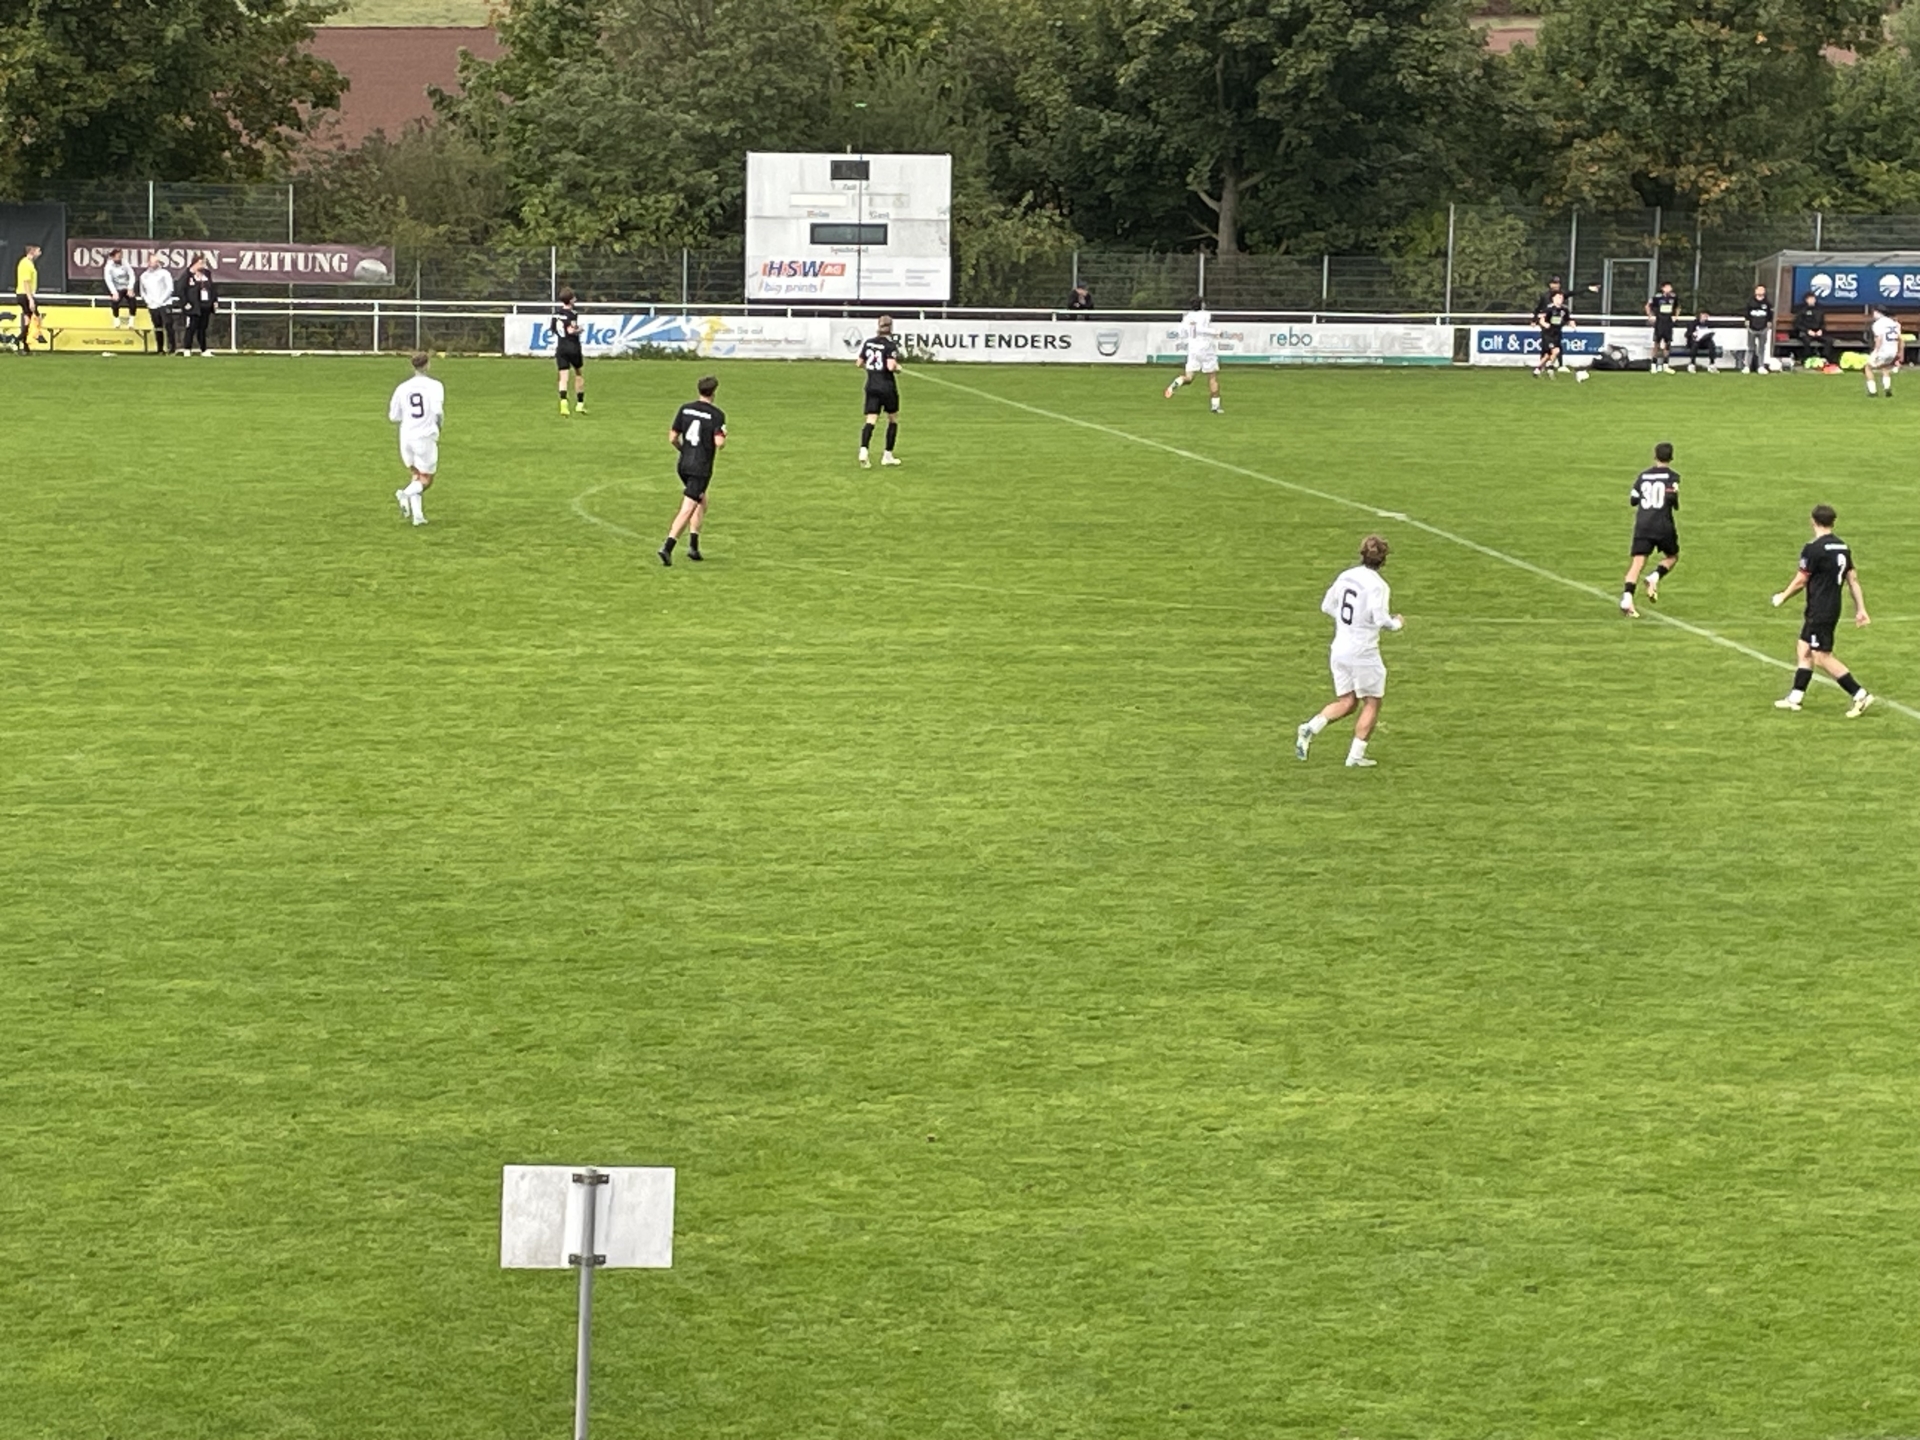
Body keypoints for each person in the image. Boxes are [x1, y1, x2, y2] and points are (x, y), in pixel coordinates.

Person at [1295, 534, 1406, 769]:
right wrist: (1397, 623)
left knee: (1347, 701)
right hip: (1363, 652)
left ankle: (1310, 727)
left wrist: (1348, 622)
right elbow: (1380, 619)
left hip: (1339, 649)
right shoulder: (1378, 586)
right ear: (1383, 559)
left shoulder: (1346, 576)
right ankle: (1355, 757)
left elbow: (1327, 606)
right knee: (1372, 702)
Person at [1770, 504, 1872, 717]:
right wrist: (1860, 608)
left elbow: (1801, 580)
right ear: (1833, 522)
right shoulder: (1843, 547)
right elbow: (1853, 580)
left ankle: (1859, 694)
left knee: (1821, 656)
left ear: (1813, 521)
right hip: (1830, 606)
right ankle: (1795, 697)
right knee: (1804, 647)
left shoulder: (1813, 549)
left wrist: (1782, 596)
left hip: (1820, 609)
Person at [658, 375, 726, 566]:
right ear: (714, 392)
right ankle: (667, 547)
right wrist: (724, 435)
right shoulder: (716, 415)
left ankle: (694, 547)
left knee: (701, 500)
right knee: (688, 507)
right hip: (700, 468)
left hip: (683, 464)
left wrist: (684, 450)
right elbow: (719, 443)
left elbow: (672, 437)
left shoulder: (685, 408)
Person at [1619, 442, 1680, 618]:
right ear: (1671, 457)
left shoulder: (1643, 476)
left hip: (1643, 524)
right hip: (1662, 524)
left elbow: (1633, 499)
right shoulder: (1673, 477)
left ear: (1655, 456)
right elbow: (1671, 499)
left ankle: (1627, 598)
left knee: (1637, 563)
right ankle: (1654, 577)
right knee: (1672, 556)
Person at [388, 351, 444, 527]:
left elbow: (393, 416)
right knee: (426, 479)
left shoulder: (402, 388)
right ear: (427, 365)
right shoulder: (435, 386)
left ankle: (418, 516)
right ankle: (405, 494)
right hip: (425, 436)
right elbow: (438, 412)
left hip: (406, 436)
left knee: (416, 474)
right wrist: (439, 427)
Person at [856, 316, 901, 467]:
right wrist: (898, 368)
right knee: (892, 419)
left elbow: (859, 363)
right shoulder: (890, 345)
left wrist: (871, 369)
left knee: (871, 419)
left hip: (871, 385)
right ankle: (887, 455)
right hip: (886, 386)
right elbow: (890, 366)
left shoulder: (868, 343)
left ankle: (863, 450)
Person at [1163, 297, 1222, 411]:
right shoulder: (1205, 315)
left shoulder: (1187, 317)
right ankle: (1215, 405)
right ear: (1201, 305)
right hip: (1206, 348)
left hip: (1193, 349)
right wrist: (1215, 332)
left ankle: (1177, 382)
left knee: (1189, 378)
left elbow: (1182, 332)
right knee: (1212, 377)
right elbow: (1201, 328)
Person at [554, 287, 586, 415]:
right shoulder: (572, 314)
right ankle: (580, 404)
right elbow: (571, 330)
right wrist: (579, 330)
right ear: (571, 300)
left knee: (563, 377)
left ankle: (563, 403)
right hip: (573, 347)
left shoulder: (556, 314)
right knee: (578, 373)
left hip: (561, 347)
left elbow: (554, 329)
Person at [1532, 276, 1571, 377]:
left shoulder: (1563, 309)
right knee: (1555, 351)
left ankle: (1538, 369)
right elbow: (1541, 316)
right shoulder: (1548, 308)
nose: (1560, 299)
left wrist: (1571, 323)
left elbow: (1567, 319)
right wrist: (1541, 322)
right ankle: (1550, 366)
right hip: (1548, 333)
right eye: (1558, 297)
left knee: (1548, 354)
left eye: (1561, 298)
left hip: (1556, 332)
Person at [180, 256, 218, 356]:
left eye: (204, 263)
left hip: (205, 305)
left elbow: (212, 288)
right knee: (191, 327)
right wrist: (185, 303)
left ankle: (203, 349)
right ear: (195, 263)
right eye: (201, 263)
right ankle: (187, 348)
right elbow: (181, 290)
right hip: (193, 307)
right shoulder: (187, 275)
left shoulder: (207, 274)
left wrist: (214, 301)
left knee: (202, 328)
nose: (203, 265)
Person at [138, 254, 176, 354]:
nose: (155, 263)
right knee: (157, 326)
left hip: (165, 303)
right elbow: (142, 292)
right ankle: (160, 349)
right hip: (152, 305)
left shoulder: (164, 273)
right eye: (153, 261)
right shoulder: (144, 276)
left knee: (168, 324)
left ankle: (172, 348)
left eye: (156, 261)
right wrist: (148, 301)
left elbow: (170, 288)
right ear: (148, 262)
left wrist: (162, 300)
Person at [1865, 303, 1900, 398]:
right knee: (1885, 367)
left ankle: (1872, 391)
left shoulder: (1877, 324)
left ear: (1878, 312)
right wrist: (1898, 353)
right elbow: (1899, 338)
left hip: (1883, 350)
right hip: (1893, 350)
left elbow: (1879, 339)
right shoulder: (1894, 323)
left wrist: (1875, 351)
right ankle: (1887, 388)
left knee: (1868, 367)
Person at [14, 242, 43, 353]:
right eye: (38, 251)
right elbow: (26, 282)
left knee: (28, 319)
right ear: (32, 252)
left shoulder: (26, 263)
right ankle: (20, 338)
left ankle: (25, 345)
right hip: (25, 294)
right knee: (37, 317)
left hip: (23, 294)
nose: (40, 253)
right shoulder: (26, 264)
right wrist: (30, 299)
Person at [1645, 282, 1680, 372]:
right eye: (1667, 287)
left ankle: (1665, 365)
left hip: (1668, 322)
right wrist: (1650, 316)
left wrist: (1676, 316)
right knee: (1657, 343)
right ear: (1663, 288)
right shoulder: (1657, 297)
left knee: (1667, 344)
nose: (1669, 289)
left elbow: (1677, 307)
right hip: (1659, 322)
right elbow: (1648, 306)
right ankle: (1653, 364)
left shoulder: (1673, 297)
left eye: (1670, 287)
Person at [102, 248, 138, 330]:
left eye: (120, 256)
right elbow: (108, 280)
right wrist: (114, 292)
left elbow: (132, 274)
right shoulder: (108, 266)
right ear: (113, 257)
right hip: (116, 287)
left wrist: (130, 288)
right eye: (118, 256)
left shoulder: (125, 262)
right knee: (115, 302)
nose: (120, 258)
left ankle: (131, 322)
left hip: (126, 286)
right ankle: (116, 319)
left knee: (132, 301)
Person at [1793, 291, 1831, 368]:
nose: (1812, 300)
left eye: (1813, 299)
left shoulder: (1819, 310)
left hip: (1818, 332)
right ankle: (1807, 359)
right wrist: (1807, 331)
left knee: (1829, 340)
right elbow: (1797, 324)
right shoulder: (1802, 310)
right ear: (1806, 300)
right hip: (1806, 332)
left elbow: (1823, 323)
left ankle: (1824, 358)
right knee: (1806, 341)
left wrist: (1821, 330)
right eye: (1810, 299)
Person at [1743, 284, 1773, 373]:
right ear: (1755, 291)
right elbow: (1746, 313)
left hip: (1763, 328)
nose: (1760, 291)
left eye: (1762, 290)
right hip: (1752, 328)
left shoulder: (1767, 303)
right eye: (1758, 289)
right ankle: (1747, 366)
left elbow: (1770, 315)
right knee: (1750, 348)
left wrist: (1769, 322)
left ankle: (1761, 366)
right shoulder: (1750, 302)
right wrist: (1747, 321)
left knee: (1761, 348)